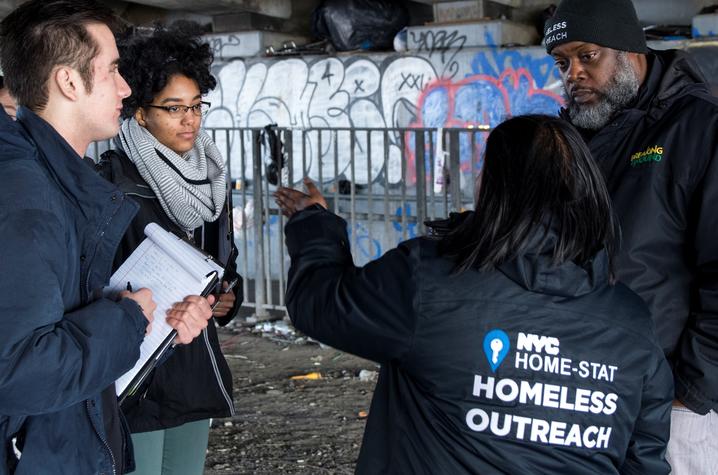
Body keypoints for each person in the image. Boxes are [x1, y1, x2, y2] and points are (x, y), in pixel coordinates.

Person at [274, 115, 673, 474]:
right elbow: (644, 457)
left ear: (497, 186)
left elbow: (321, 304)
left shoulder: (429, 278)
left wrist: (315, 226)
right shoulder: (632, 318)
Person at [0, 2, 214, 473]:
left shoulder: (54, 183)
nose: (126, 87)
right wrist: (129, 319)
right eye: (113, 70)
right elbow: (18, 370)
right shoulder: (27, 200)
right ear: (69, 82)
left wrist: (155, 324)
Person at [544, 1, 718, 472]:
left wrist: (694, 391)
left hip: (671, 400)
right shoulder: (574, 135)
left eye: (588, 55)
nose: (574, 73)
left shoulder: (700, 127)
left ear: (629, 50)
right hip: (581, 387)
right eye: (562, 62)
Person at [97, 23, 242, 475]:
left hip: (193, 363)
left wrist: (227, 298)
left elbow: (226, 262)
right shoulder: (112, 187)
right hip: (137, 369)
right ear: (140, 114)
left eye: (197, 107)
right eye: (174, 108)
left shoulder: (211, 181)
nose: (191, 120)